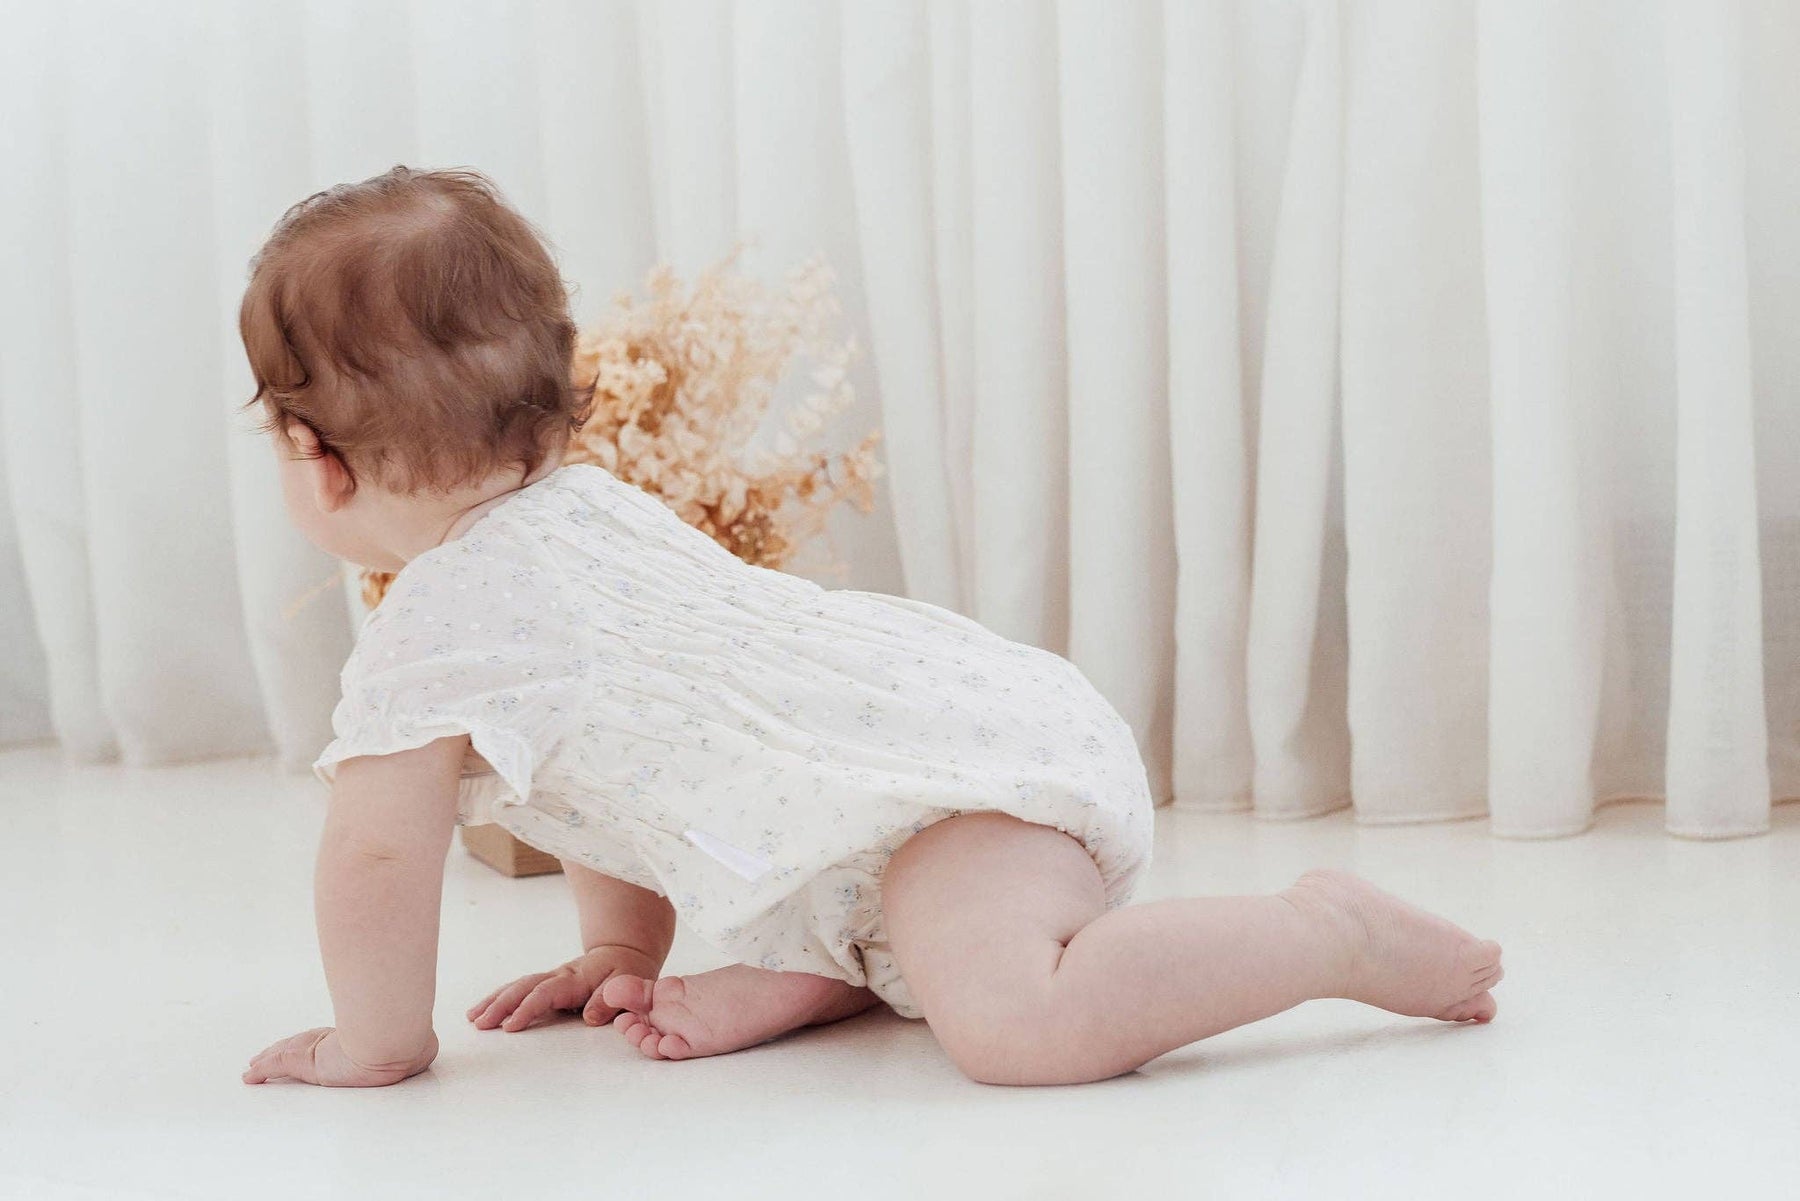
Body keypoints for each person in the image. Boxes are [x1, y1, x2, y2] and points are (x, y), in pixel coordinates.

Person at [240, 167, 1503, 1089]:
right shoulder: (589, 510)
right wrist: (618, 947)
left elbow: (377, 858)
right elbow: (615, 762)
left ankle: (1320, 933)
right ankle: (828, 968)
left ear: (314, 458)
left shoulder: (435, 631)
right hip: (949, 744)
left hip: (952, 799)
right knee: (933, 945)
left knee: (1017, 1023)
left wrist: (375, 1042)